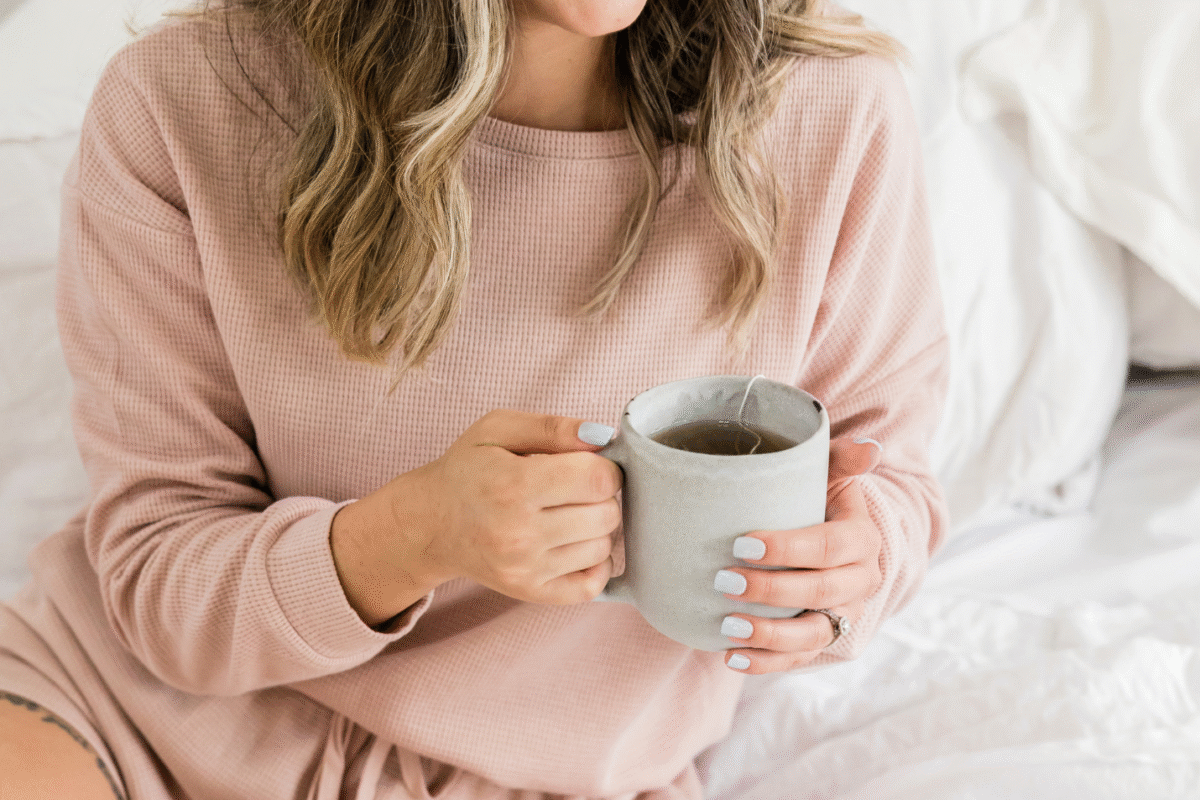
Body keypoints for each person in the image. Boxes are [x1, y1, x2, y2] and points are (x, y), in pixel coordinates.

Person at [0, 0, 949, 797]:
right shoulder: (185, 102)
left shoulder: (831, 111)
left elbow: (890, 482)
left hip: (550, 776)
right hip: (143, 717)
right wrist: (412, 536)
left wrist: (840, 583)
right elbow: (159, 572)